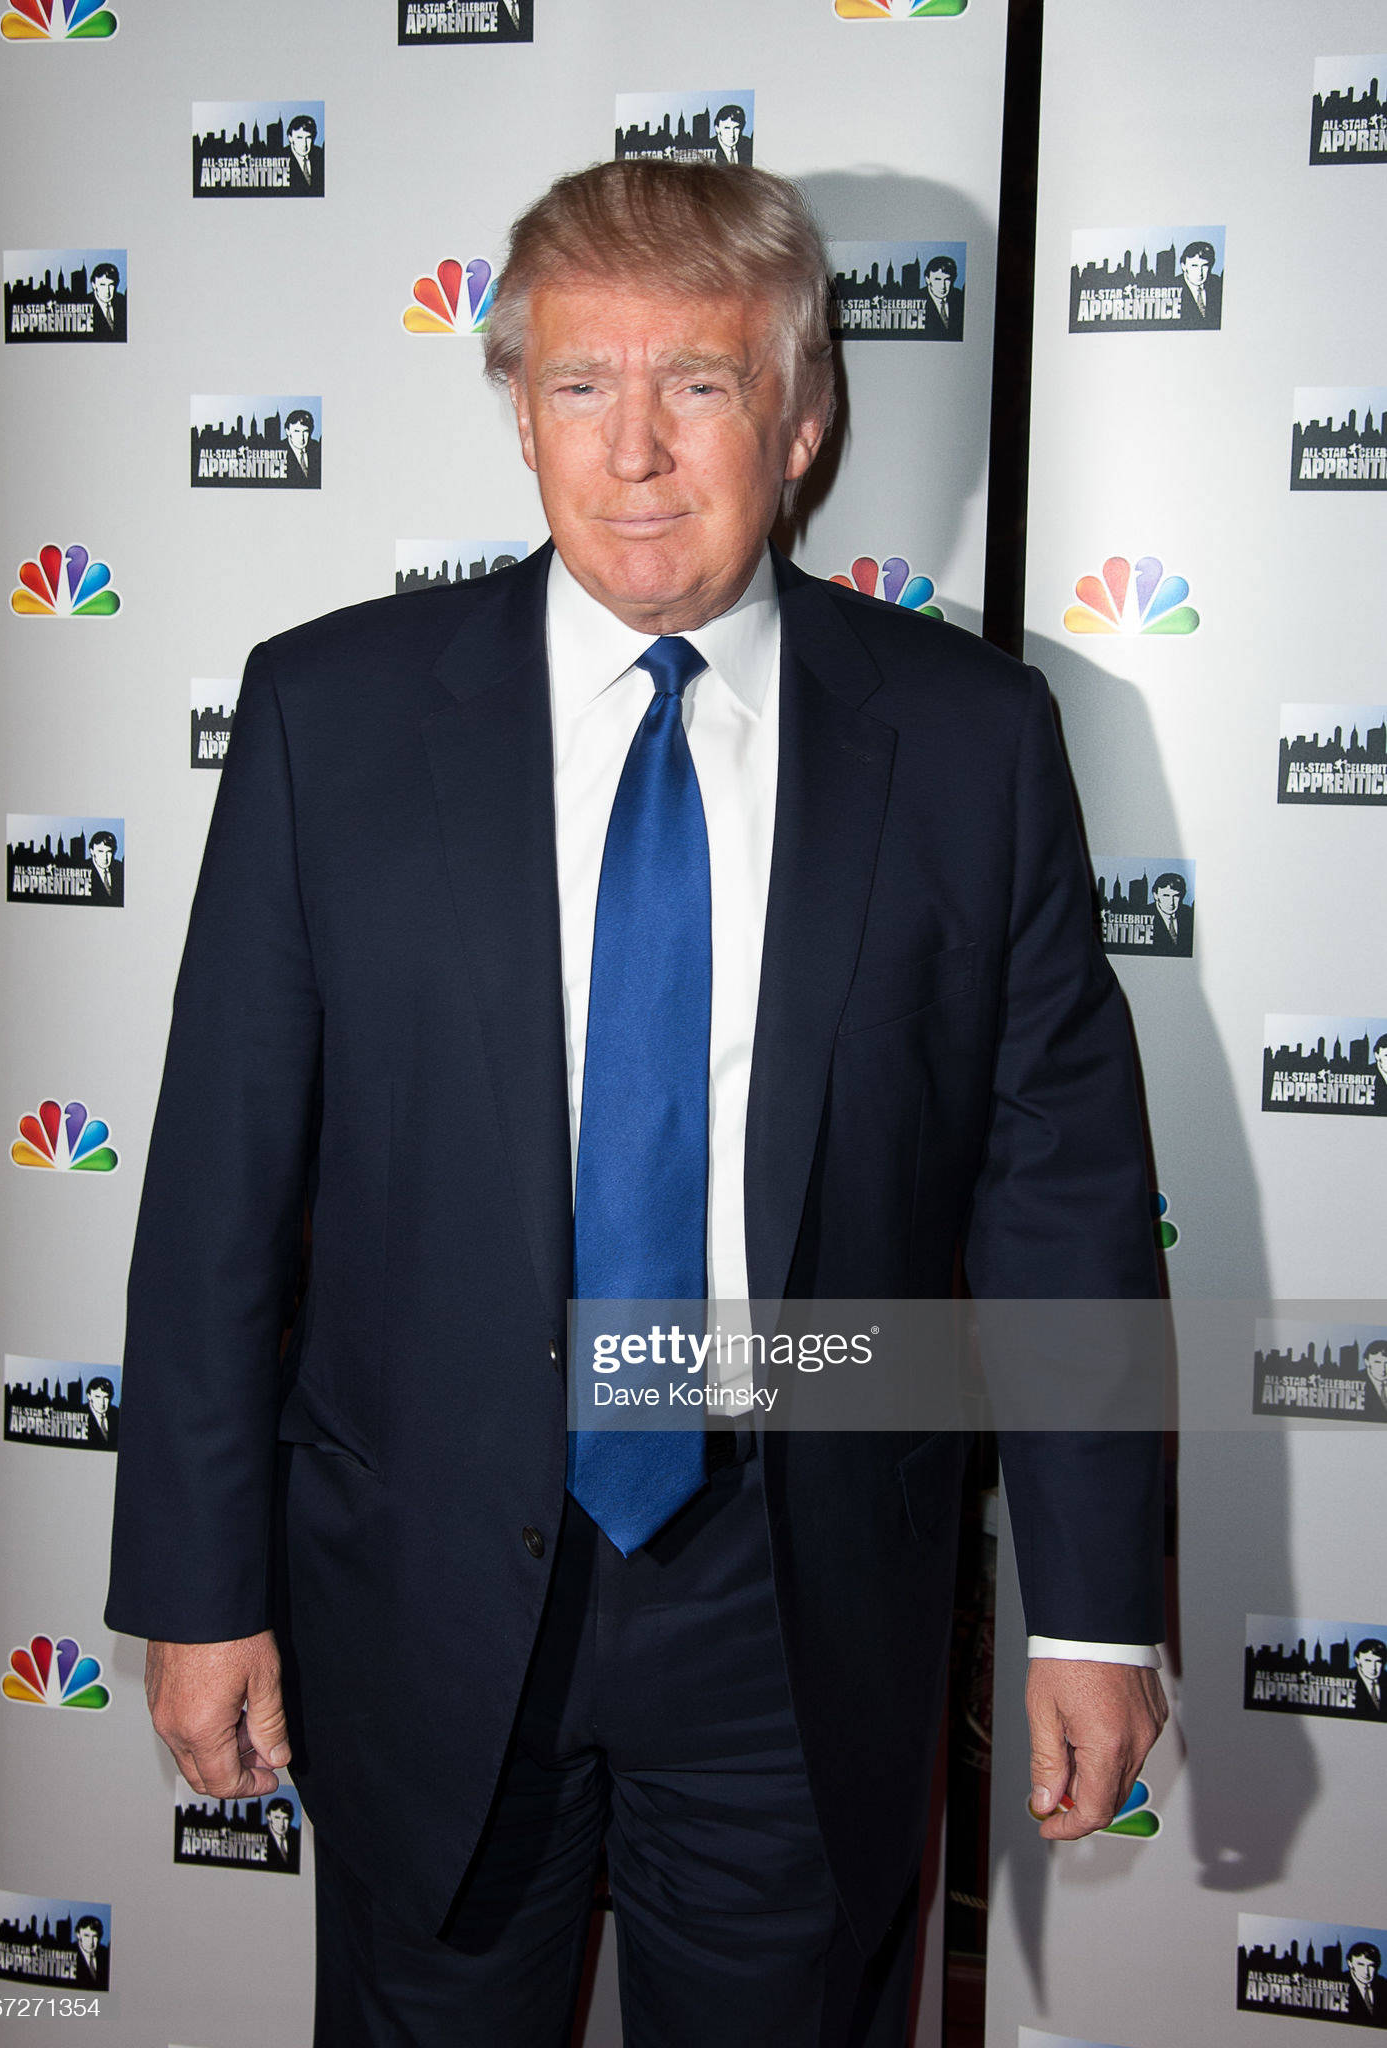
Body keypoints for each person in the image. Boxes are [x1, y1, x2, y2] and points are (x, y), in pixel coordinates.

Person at [107, 160, 1167, 2046]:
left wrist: (1087, 1609)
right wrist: (197, 1585)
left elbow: (1058, 1192)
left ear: (804, 415)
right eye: (582, 387)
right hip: (420, 1593)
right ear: (518, 410)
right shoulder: (327, 720)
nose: (637, 453)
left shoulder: (971, 740)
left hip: (797, 1593)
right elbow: (216, 1193)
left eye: (698, 383)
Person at [1175, 239, 1221, 329]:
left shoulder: (1217, 284)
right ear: (1183, 266)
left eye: (1204, 266)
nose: (1199, 272)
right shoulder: (1171, 287)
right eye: (1194, 266)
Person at [923, 252, 964, 340]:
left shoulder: (960, 297)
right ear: (927, 279)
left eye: (947, 280)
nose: (942, 286)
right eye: (937, 279)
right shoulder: (916, 298)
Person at [1150, 871, 1192, 954]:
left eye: (1176, 896)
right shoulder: (1144, 913)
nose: (1171, 902)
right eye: (1166, 896)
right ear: (1155, 895)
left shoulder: (1189, 914)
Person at [1346, 1942, 1387, 2026]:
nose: (1366, 1972)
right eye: (1360, 1964)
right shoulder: (1339, 1982)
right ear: (1350, 1963)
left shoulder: (1383, 1984)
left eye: (1371, 1966)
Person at [286, 112, 324, 197]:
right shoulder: (281, 158)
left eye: (308, 138)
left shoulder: (320, 155)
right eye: (299, 138)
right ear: (290, 138)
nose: (304, 144)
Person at [281, 408, 319, 487]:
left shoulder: (317, 448)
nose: (301, 438)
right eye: (297, 431)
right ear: (287, 431)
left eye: (305, 431)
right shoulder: (278, 450)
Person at [88, 261, 124, 342]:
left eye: (111, 285)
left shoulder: (122, 301)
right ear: (93, 285)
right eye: (102, 285)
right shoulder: (85, 304)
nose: (107, 291)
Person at [87, 829, 123, 906]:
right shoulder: (83, 869)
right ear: (92, 851)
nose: (105, 857)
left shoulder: (120, 868)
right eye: (100, 851)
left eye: (108, 852)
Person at [1351, 1638, 1386, 1718]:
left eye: (1378, 1662)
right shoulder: (1346, 1678)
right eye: (1368, 1661)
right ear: (1357, 1660)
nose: (1373, 1667)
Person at [265, 1794, 301, 1870]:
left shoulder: (297, 1835)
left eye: (285, 1818)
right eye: (277, 1817)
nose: (281, 1823)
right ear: (269, 1817)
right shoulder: (260, 1834)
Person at [73, 1914, 107, 1988]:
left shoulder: (105, 1953)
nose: (91, 1942)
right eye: (86, 1935)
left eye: (94, 1936)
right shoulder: (70, 1953)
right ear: (78, 1935)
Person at [84, 1375, 118, 1450]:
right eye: (97, 1397)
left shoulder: (116, 1414)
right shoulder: (81, 1413)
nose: (102, 1403)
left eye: (105, 1397)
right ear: (89, 1396)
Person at [1363, 1337, 1387, 1415]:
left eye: (1386, 1363)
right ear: (1367, 1362)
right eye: (1377, 1362)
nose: (1383, 1368)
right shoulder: (1356, 1380)